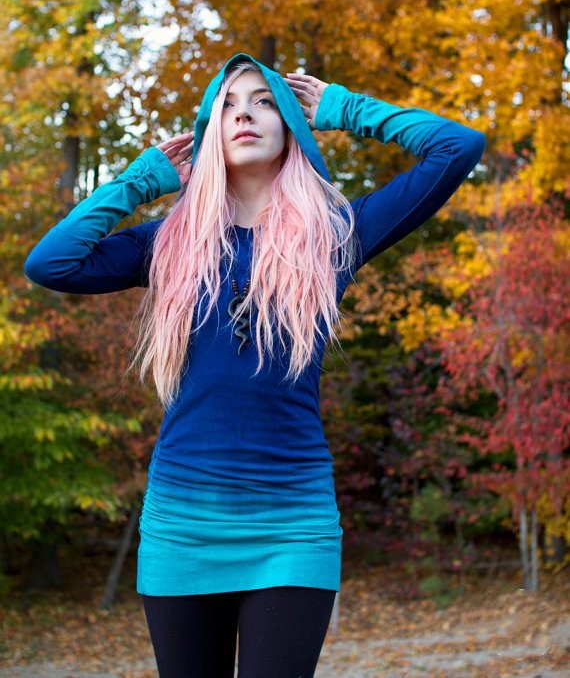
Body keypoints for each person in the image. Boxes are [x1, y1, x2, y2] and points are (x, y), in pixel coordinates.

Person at [25, 53, 485, 678]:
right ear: (210, 130)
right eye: (229, 105)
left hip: (293, 524)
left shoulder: (334, 236)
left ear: (292, 124)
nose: (245, 114)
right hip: (182, 523)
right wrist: (139, 181)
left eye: (265, 101)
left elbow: (458, 147)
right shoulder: (166, 244)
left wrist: (344, 108)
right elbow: (51, 263)